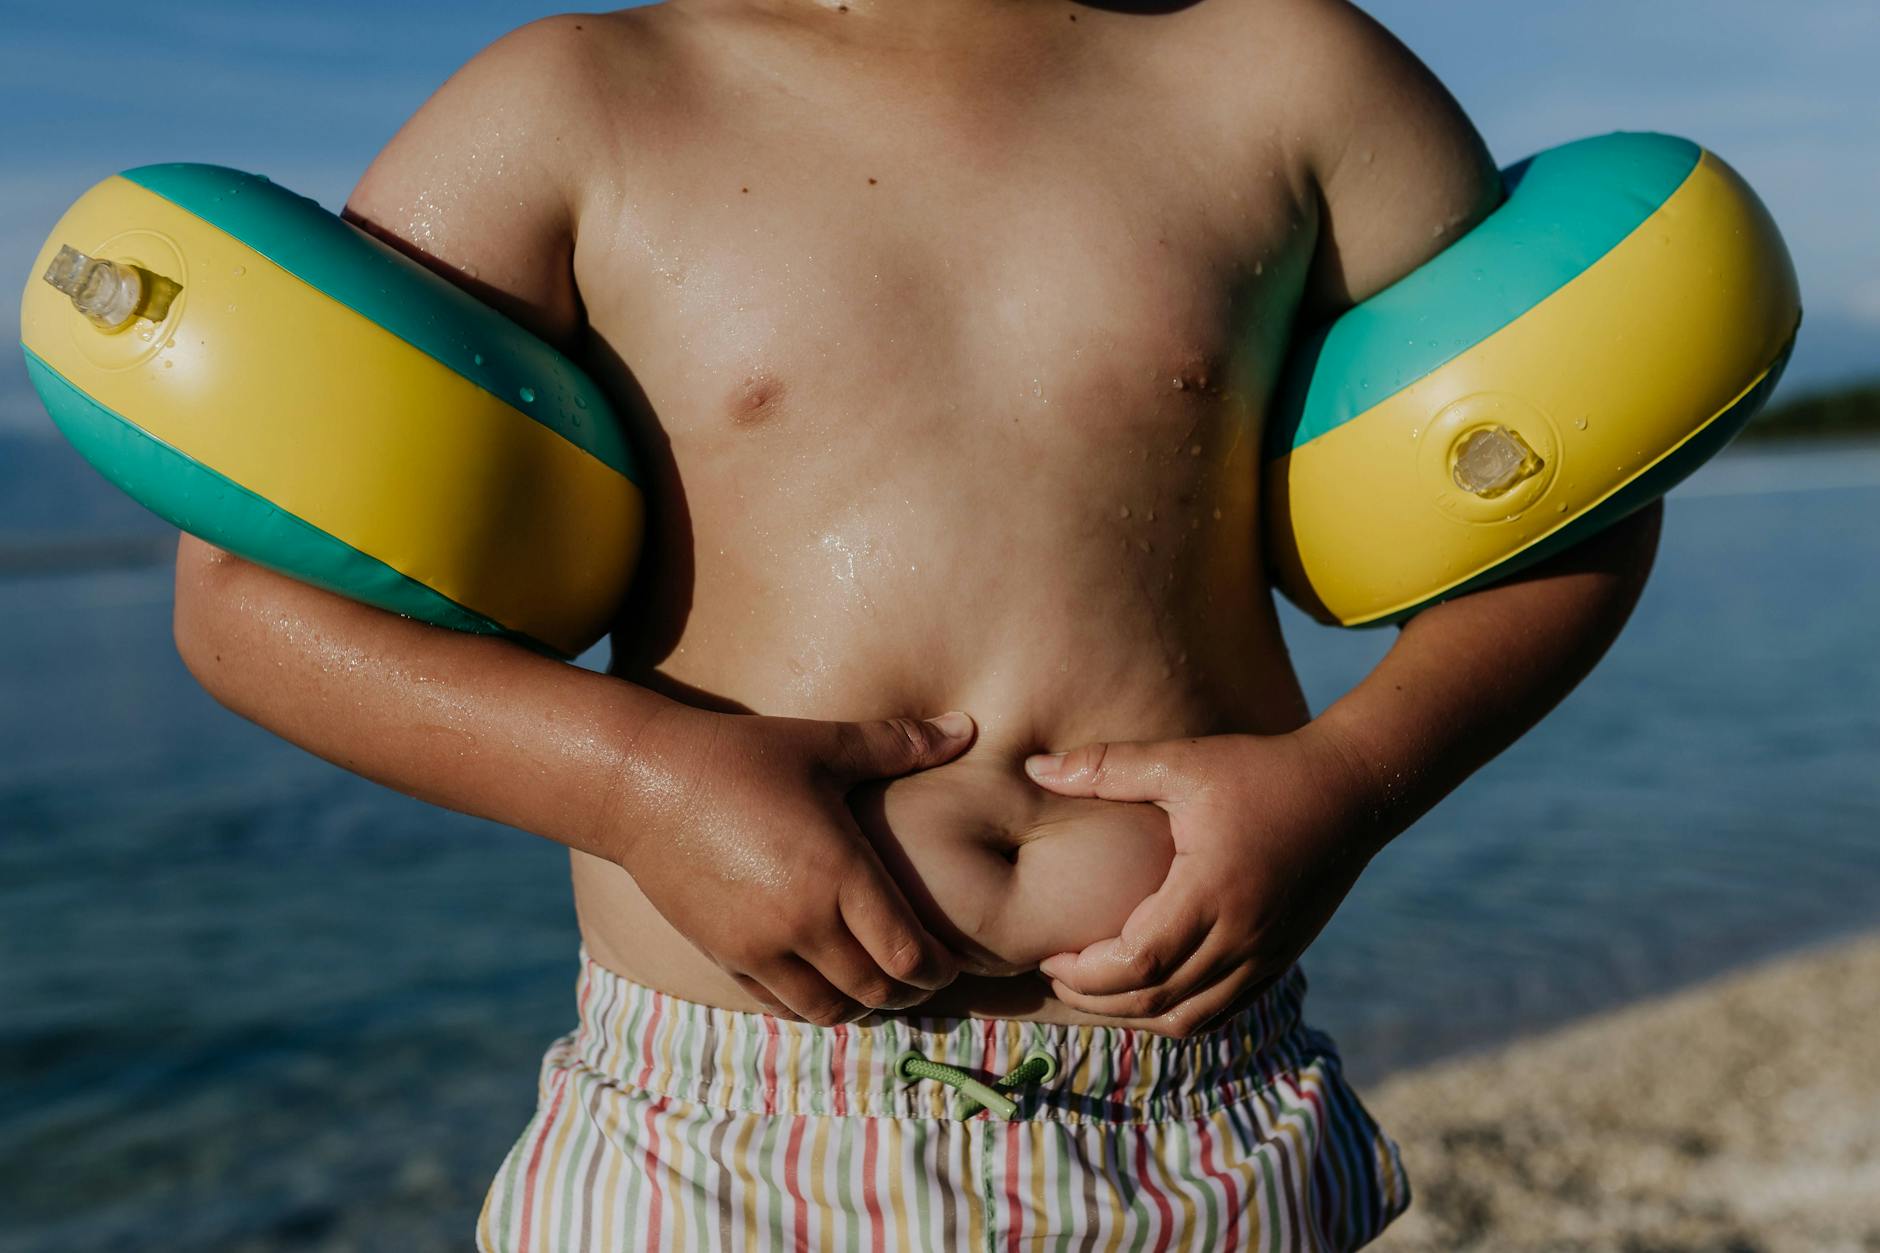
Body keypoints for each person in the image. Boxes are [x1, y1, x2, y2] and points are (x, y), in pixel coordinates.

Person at [171, 0, 1662, 1246]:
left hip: (1191, 1125)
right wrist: (637, 784)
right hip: (724, 1136)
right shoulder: (576, 105)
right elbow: (247, 598)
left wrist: (1354, 783)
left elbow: (1574, 507)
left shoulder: (1288, 76)